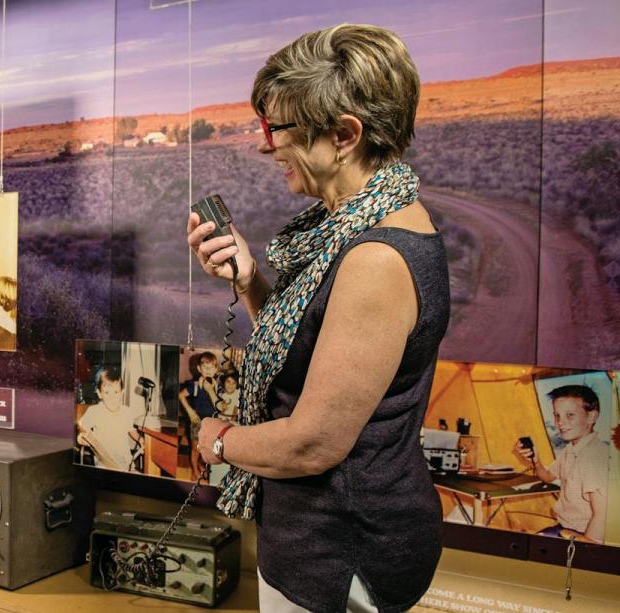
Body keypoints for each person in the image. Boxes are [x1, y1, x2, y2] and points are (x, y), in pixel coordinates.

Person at [187, 24, 448, 612]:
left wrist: (219, 441)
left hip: (342, 553)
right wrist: (252, 281)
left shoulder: (376, 258)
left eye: (277, 127)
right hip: (319, 541)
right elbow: (312, 353)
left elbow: (313, 444)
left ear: (344, 135)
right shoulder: (351, 230)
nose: (266, 145)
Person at [514, 385, 608, 543]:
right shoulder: (570, 449)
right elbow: (547, 477)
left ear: (592, 417)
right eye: (557, 416)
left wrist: (585, 551)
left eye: (570, 415)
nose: (560, 423)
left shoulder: (594, 456)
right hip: (564, 527)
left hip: (583, 534)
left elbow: (602, 514)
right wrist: (535, 460)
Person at [76, 366, 154, 472]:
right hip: (104, 464)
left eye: (116, 392)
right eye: (107, 392)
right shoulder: (95, 411)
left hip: (126, 463)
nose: (112, 398)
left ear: (122, 392)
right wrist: (81, 436)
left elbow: (132, 431)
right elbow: (82, 426)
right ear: (99, 394)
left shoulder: (126, 411)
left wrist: (141, 440)